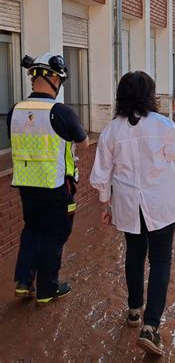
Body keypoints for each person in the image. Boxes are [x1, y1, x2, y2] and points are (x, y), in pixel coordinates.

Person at [89, 71, 175, 356]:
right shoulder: (162, 124)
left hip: (127, 205)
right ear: (151, 95)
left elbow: (102, 172)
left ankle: (134, 310)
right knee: (161, 261)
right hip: (161, 204)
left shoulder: (112, 130)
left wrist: (105, 204)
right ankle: (151, 327)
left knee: (134, 254)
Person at [8, 52, 89, 305]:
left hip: (26, 184)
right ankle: (47, 289)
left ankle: (24, 282)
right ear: (54, 79)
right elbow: (84, 143)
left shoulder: (15, 111)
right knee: (54, 234)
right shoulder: (61, 112)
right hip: (56, 186)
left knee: (32, 230)